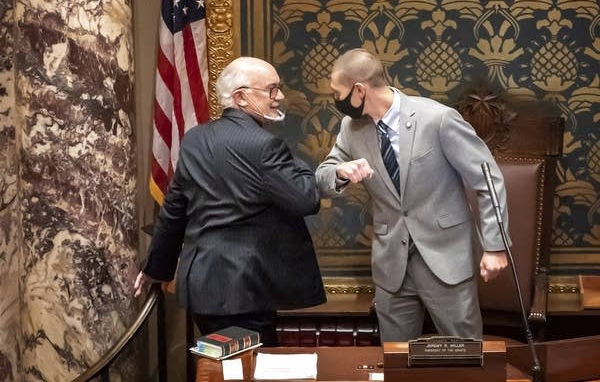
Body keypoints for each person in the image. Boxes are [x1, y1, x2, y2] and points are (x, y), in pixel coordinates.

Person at [315, 48, 509, 342]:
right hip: (391, 263)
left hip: (445, 258)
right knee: (396, 358)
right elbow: (322, 176)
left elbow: (488, 179)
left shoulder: (438, 119)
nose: (335, 100)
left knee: (465, 354)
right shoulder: (351, 128)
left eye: (337, 92)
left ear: (358, 90)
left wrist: (496, 246)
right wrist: (341, 171)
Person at [134, 57, 326, 346]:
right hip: (246, 289)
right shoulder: (265, 145)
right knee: (252, 372)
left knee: (222, 370)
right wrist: (297, 161)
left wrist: (156, 269)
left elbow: (174, 209)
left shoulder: (194, 139)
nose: (280, 96)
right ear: (240, 97)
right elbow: (306, 199)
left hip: (202, 287)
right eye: (272, 89)